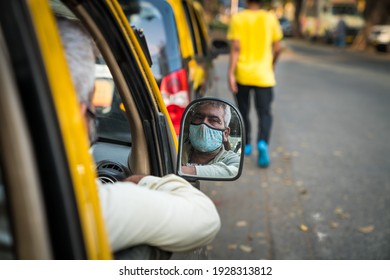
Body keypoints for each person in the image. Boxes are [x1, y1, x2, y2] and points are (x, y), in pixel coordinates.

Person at [56, 14, 220, 253]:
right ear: (78, 113)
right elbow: (206, 219)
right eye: (92, 110)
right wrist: (142, 181)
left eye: (213, 121)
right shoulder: (82, 208)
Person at [227, 0, 283, 168]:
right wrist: (271, 65)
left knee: (243, 111)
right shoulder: (270, 18)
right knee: (264, 113)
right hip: (264, 76)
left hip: (243, 74)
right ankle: (263, 143)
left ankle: (247, 144)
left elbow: (235, 48)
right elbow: (278, 47)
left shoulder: (238, 18)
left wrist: (230, 73)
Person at [180, 101, 240, 177]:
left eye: (213, 120)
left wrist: (191, 171)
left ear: (225, 134)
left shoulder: (230, 159)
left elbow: (235, 170)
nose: (203, 124)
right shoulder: (176, 146)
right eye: (199, 118)